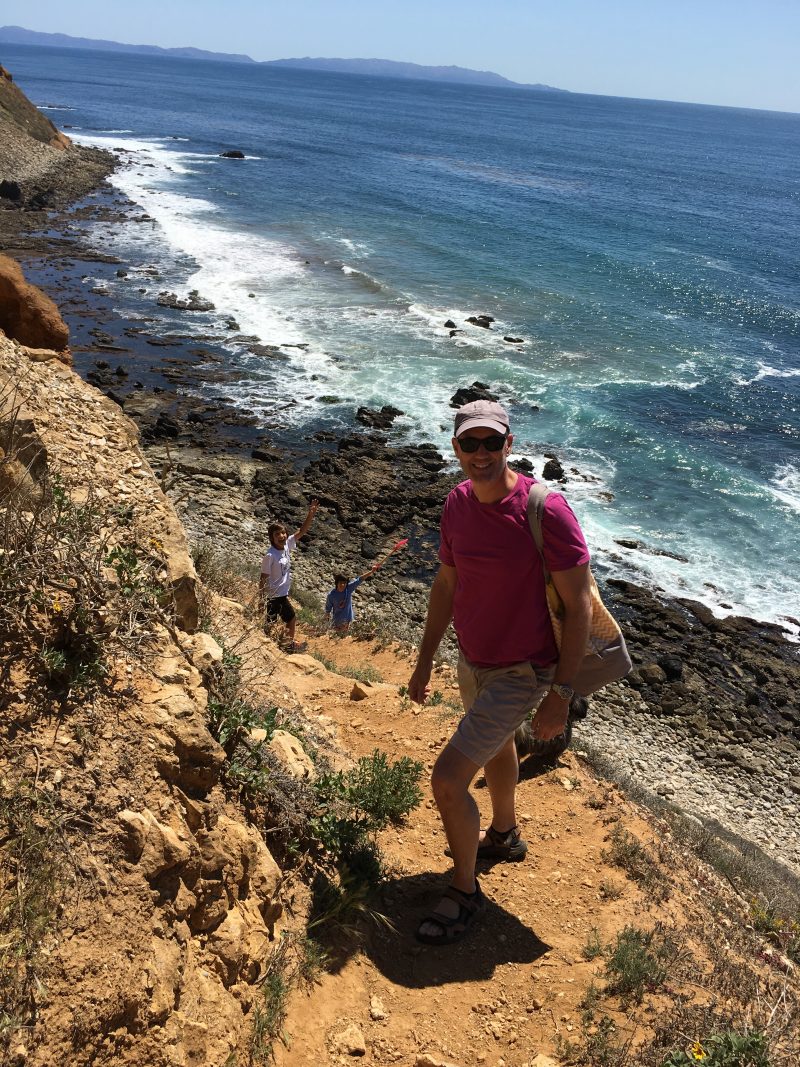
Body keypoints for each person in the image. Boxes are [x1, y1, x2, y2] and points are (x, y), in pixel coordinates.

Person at [408, 400, 592, 945]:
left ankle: (464, 892)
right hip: (473, 659)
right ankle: (505, 834)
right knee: (495, 747)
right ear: (456, 447)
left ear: (510, 443)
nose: (481, 454)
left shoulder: (545, 509)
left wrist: (561, 693)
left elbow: (579, 606)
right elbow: (445, 585)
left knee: (447, 780)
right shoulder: (457, 504)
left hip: (524, 670)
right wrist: (423, 662)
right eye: (471, 443)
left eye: (492, 442)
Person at [259, 498, 319, 651]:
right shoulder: (270, 555)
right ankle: (288, 646)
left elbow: (301, 532)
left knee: (270, 622)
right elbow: (263, 577)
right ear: (272, 537)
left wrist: (310, 514)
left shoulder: (286, 546)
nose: (282, 536)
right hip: (275, 595)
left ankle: (270, 643)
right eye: (277, 534)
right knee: (291, 619)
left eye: (283, 533)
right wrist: (261, 599)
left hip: (280, 594)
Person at [325, 567, 377, 632]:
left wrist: (371, 571)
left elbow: (360, 579)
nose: (343, 585)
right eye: (340, 583)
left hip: (348, 620)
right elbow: (327, 610)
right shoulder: (331, 595)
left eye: (344, 583)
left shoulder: (348, 589)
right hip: (337, 621)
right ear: (337, 583)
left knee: (345, 637)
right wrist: (326, 625)